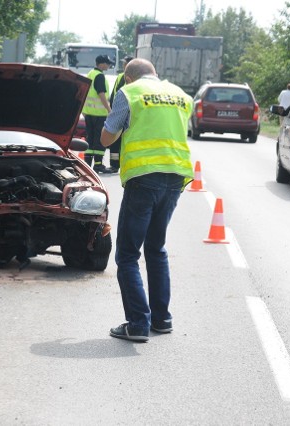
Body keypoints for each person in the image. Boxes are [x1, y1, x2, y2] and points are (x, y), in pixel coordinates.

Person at [100, 58, 194, 342]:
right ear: (155, 73)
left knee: (127, 254)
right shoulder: (180, 95)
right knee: (156, 248)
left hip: (143, 178)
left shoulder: (128, 94)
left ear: (128, 78)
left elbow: (105, 139)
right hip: (175, 176)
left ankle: (138, 324)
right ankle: (162, 319)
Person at [83, 54, 114, 173]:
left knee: (90, 139)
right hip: (99, 114)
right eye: (107, 63)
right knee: (99, 140)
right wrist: (109, 110)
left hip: (89, 113)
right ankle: (98, 165)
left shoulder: (91, 73)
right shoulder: (100, 76)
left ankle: (87, 165)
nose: (109, 65)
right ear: (101, 64)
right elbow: (101, 94)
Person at [106, 55, 134, 173]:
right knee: (115, 141)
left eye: (126, 63)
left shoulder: (135, 78)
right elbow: (114, 94)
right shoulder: (120, 77)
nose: (123, 66)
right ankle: (114, 165)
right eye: (123, 64)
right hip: (120, 111)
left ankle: (126, 164)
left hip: (130, 113)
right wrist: (112, 110)